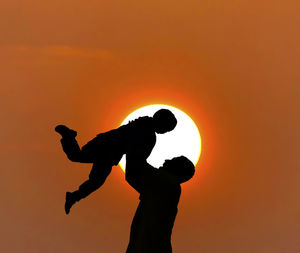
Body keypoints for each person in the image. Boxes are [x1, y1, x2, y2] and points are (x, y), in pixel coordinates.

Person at [55, 109, 177, 214]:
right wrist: (144, 189)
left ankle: (73, 197)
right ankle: (68, 136)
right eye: (166, 128)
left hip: (107, 148)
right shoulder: (146, 133)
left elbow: (136, 160)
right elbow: (135, 161)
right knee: (81, 161)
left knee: (91, 174)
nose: (164, 132)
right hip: (107, 149)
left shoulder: (144, 127)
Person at [125, 150, 195, 253]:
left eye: (172, 161)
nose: (166, 160)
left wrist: (135, 141)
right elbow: (133, 174)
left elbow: (136, 168)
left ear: (177, 170)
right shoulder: (167, 186)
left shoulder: (167, 182)